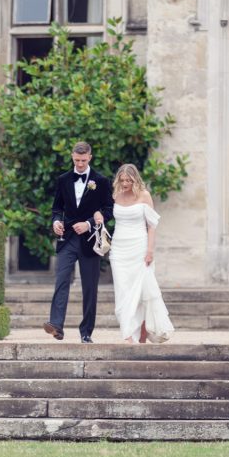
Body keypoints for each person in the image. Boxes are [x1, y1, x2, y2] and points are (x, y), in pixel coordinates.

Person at [44, 141, 113, 344]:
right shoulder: (63, 179)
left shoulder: (101, 181)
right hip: (67, 239)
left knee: (90, 287)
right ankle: (56, 325)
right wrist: (56, 221)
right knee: (61, 280)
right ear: (72, 157)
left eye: (83, 160)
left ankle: (86, 332)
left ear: (90, 157)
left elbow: (108, 210)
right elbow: (57, 208)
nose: (80, 164)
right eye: (76, 160)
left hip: (90, 241)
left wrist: (90, 223)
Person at [110, 163, 175, 344]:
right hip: (119, 248)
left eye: (128, 180)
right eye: (122, 180)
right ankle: (128, 334)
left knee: (142, 292)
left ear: (135, 180)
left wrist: (150, 250)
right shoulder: (115, 195)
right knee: (122, 292)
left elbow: (152, 226)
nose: (124, 184)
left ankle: (142, 336)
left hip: (139, 247)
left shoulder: (144, 196)